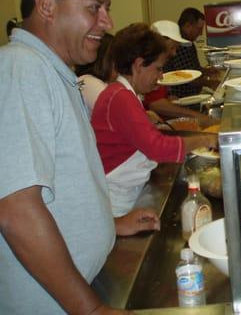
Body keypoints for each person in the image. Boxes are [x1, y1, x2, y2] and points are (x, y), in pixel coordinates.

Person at [0, 0, 152, 315]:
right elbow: (16, 211)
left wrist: (107, 225)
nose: (106, 20)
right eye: (93, 7)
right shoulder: (20, 69)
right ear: (46, 5)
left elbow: (60, 183)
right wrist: (91, 310)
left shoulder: (53, 74)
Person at [91, 23, 217, 217]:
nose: (160, 77)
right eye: (158, 69)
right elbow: (158, 148)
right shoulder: (120, 98)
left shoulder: (122, 94)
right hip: (116, 201)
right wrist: (207, 139)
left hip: (125, 193)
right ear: (139, 64)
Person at [142, 19, 218, 124]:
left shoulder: (160, 65)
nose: (174, 53)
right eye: (172, 48)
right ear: (160, 42)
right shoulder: (149, 67)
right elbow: (156, 104)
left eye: (176, 49)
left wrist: (168, 98)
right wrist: (199, 117)